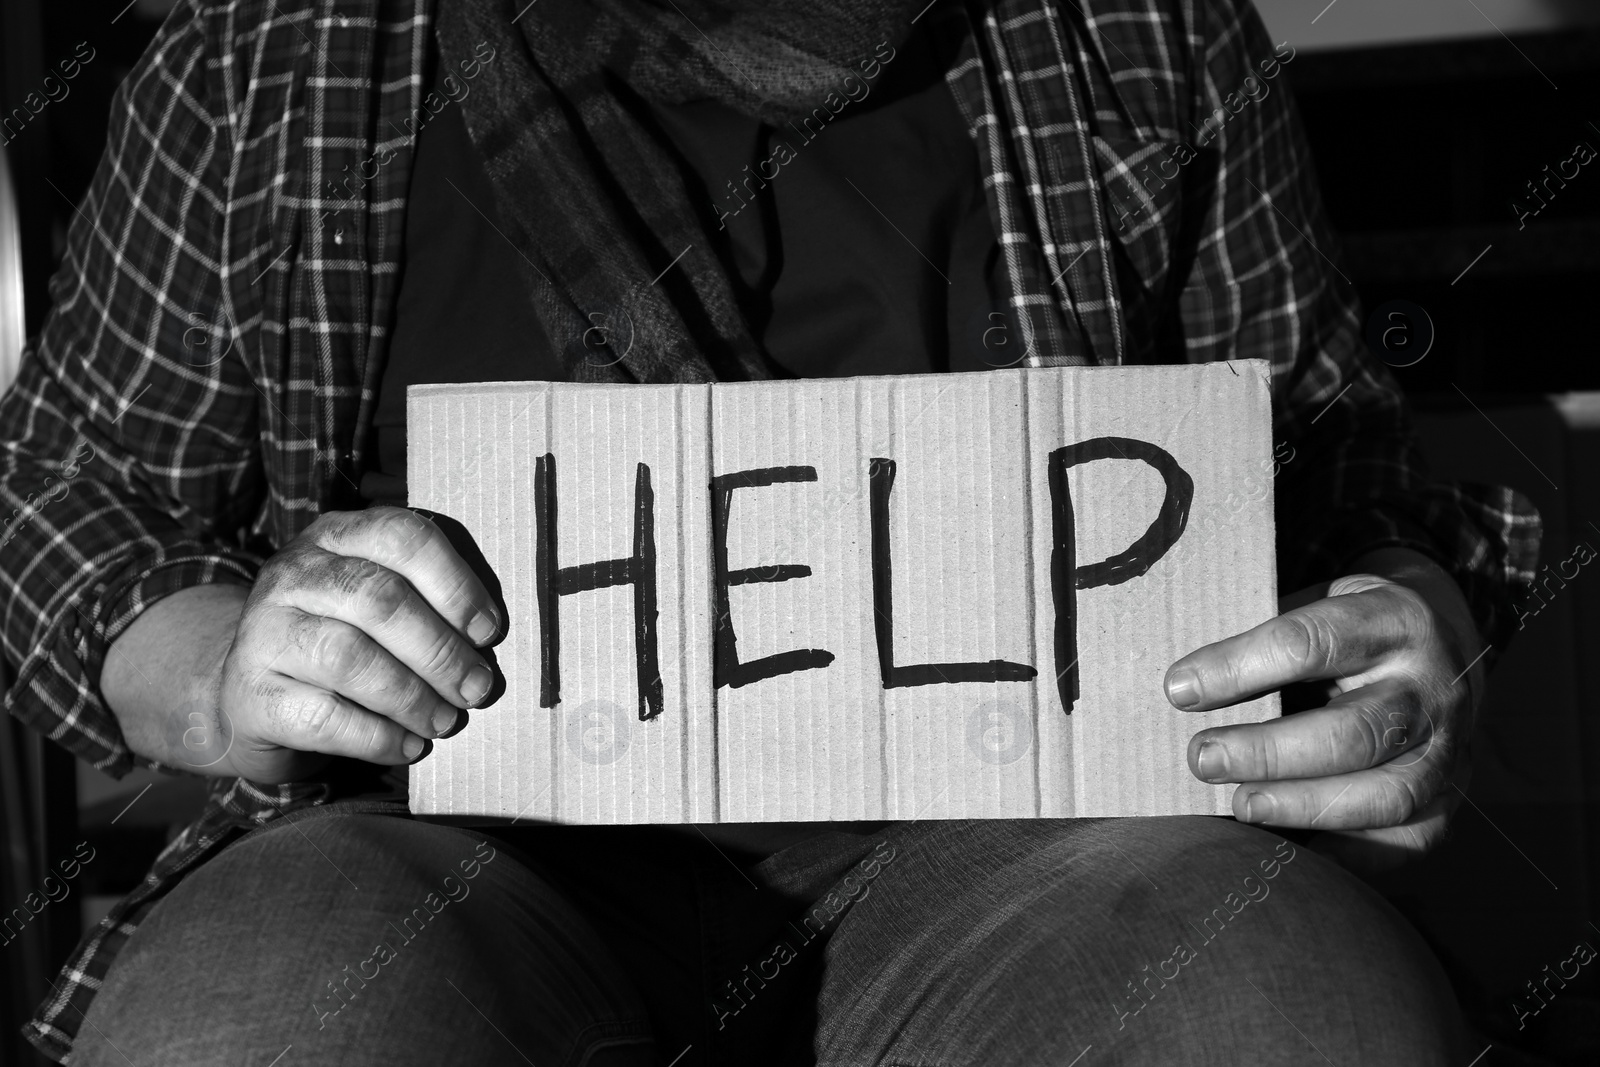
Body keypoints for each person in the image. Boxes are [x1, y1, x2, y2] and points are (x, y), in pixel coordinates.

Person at [0, 0, 1539, 1063]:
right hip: (436, 849)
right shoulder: (263, 52)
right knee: (264, 1019)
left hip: (1042, 863)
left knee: (1277, 1008)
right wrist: (224, 675)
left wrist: (1401, 638)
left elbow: (1351, 485)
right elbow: (62, 510)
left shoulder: (1145, 31)